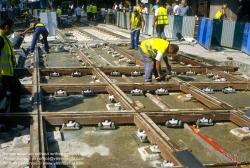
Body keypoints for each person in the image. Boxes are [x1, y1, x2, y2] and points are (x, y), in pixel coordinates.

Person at [0, 19, 28, 112]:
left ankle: (14, 108)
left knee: (16, 87)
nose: (13, 30)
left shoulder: (5, 38)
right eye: (12, 28)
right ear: (6, 27)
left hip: (9, 72)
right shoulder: (0, 39)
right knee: (1, 94)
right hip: (2, 73)